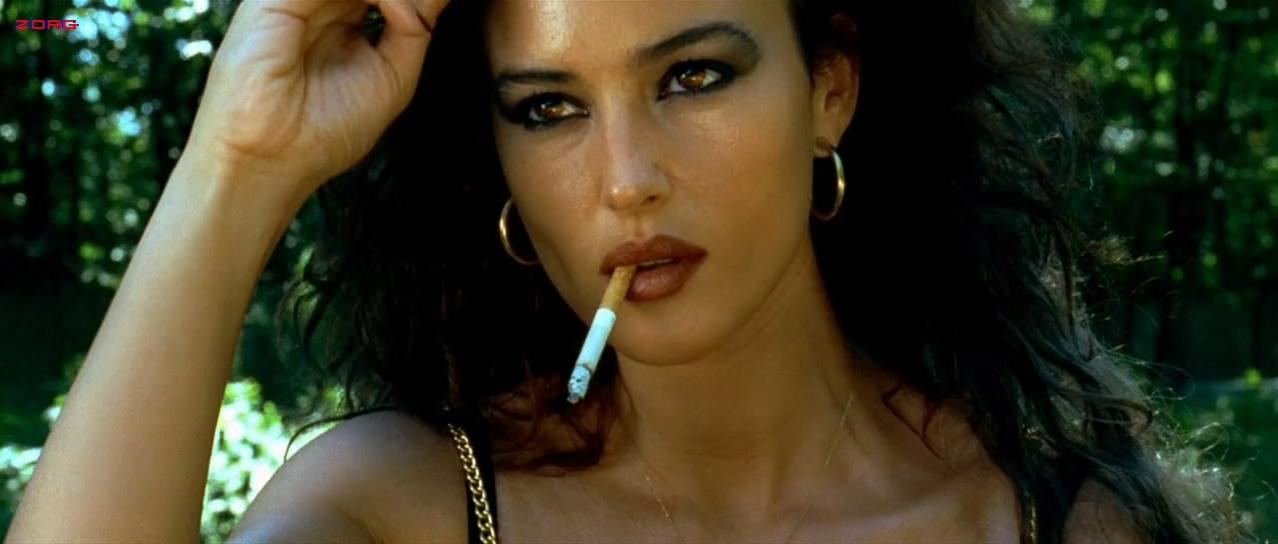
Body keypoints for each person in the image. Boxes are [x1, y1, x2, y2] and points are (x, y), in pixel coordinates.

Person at [6, 0, 1243, 543]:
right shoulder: (407, 511)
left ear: (830, 87)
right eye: (548, 107)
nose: (627, 178)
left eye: (693, 76)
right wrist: (234, 169)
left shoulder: (1051, 526)